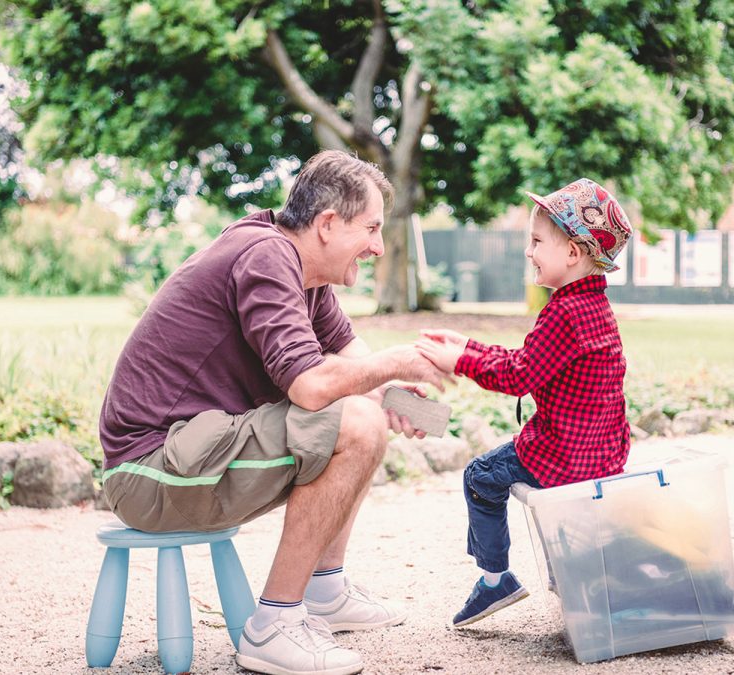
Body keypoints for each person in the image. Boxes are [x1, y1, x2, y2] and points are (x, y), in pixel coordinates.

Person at [98, 150, 450, 675]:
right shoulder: (266, 257)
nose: (379, 246)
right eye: (371, 228)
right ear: (328, 224)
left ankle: (324, 591)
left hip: (189, 454)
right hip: (150, 471)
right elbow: (311, 388)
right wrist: (395, 364)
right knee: (353, 423)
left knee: (364, 417)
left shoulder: (304, 274)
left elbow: (355, 366)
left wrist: (398, 396)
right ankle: (274, 625)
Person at [416, 178, 633, 628]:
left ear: (573, 253)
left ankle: (496, 581)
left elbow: (518, 376)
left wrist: (459, 362)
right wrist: (468, 345)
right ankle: (577, 582)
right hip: (602, 455)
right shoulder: (593, 307)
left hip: (560, 454)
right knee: (566, 521)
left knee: (481, 476)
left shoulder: (563, 313)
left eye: (536, 241)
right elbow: (528, 360)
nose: (529, 251)